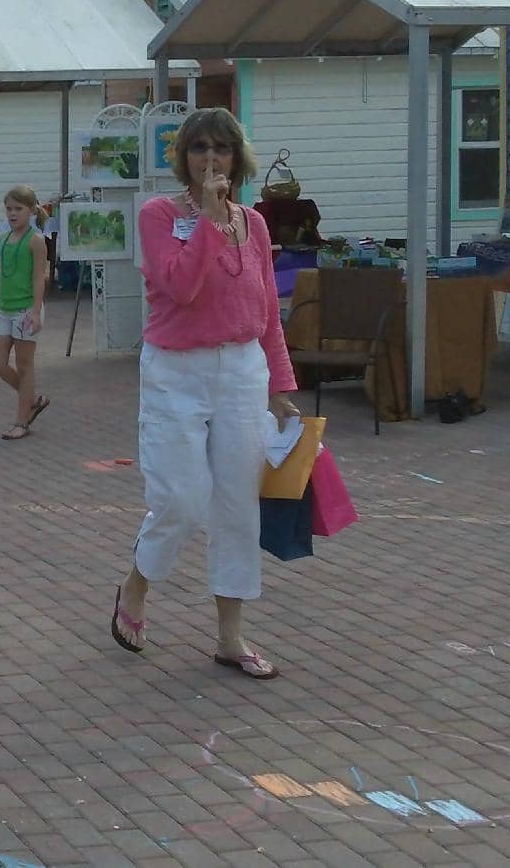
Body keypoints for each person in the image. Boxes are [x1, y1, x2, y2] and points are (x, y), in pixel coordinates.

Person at [111, 107, 300, 681]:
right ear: (184, 158)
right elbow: (181, 288)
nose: (211, 158)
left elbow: (267, 312)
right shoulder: (159, 215)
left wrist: (281, 385)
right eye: (199, 148)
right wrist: (210, 224)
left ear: (237, 157)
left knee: (238, 506)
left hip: (241, 371)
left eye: (221, 147)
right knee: (182, 501)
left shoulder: (256, 224)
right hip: (176, 372)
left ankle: (230, 635)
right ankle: (137, 583)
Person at [0, 186, 52, 441]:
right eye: (9, 209)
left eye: (18, 209)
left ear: (31, 210)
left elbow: (39, 278)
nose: (12, 214)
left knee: (24, 364)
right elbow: (0, 276)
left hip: (26, 309)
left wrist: (36, 312)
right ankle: (32, 399)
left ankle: (22, 422)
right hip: (5, 309)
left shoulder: (36, 241)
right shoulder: (4, 238)